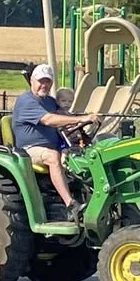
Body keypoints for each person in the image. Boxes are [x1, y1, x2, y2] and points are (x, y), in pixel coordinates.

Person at [12, 64, 99, 222]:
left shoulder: (50, 102)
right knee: (53, 156)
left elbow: (65, 116)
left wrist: (85, 119)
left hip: (53, 146)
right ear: (32, 81)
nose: (44, 85)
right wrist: (81, 119)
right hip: (29, 150)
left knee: (86, 156)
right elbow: (49, 120)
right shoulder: (26, 101)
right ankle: (70, 205)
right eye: (41, 81)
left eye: (48, 82)